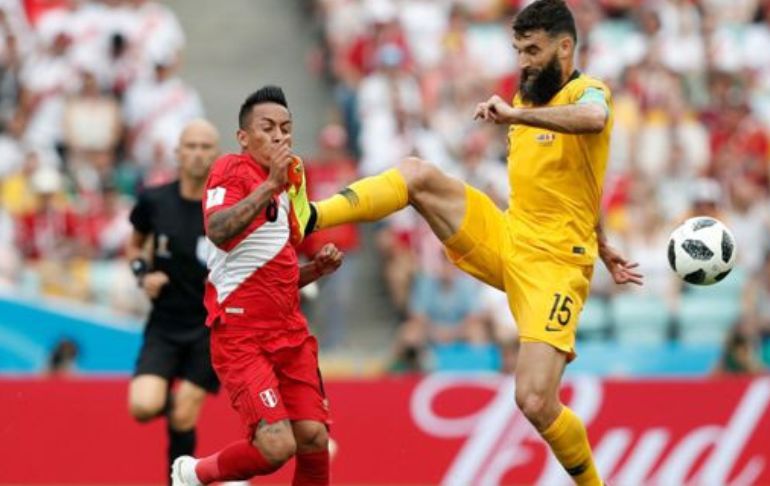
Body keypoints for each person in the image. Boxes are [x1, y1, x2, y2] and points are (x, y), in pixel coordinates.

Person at [293, 1, 644, 484]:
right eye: (519, 50)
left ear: (565, 47)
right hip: (508, 237)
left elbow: (593, 120)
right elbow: (576, 184)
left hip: (555, 269)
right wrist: (605, 242)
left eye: (533, 50)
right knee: (417, 174)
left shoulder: (589, 92)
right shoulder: (522, 102)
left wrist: (593, 244)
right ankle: (310, 214)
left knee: (535, 402)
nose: (523, 61)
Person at [171, 86, 342, 486]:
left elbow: (274, 277)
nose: (280, 136)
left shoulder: (288, 188)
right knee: (277, 447)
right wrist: (269, 184)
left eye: (287, 128)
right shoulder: (231, 170)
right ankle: (193, 473)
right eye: (268, 128)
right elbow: (218, 231)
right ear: (244, 137)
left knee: (314, 437)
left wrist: (314, 269)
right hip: (242, 336)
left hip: (289, 334)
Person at [126, 119, 221, 483]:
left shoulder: (226, 209)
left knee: (183, 415)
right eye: (191, 146)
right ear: (178, 153)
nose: (197, 154)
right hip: (165, 324)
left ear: (216, 155)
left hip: (209, 328)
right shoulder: (154, 200)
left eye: (205, 147)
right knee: (142, 406)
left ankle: (180, 480)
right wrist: (142, 274)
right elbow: (135, 245)